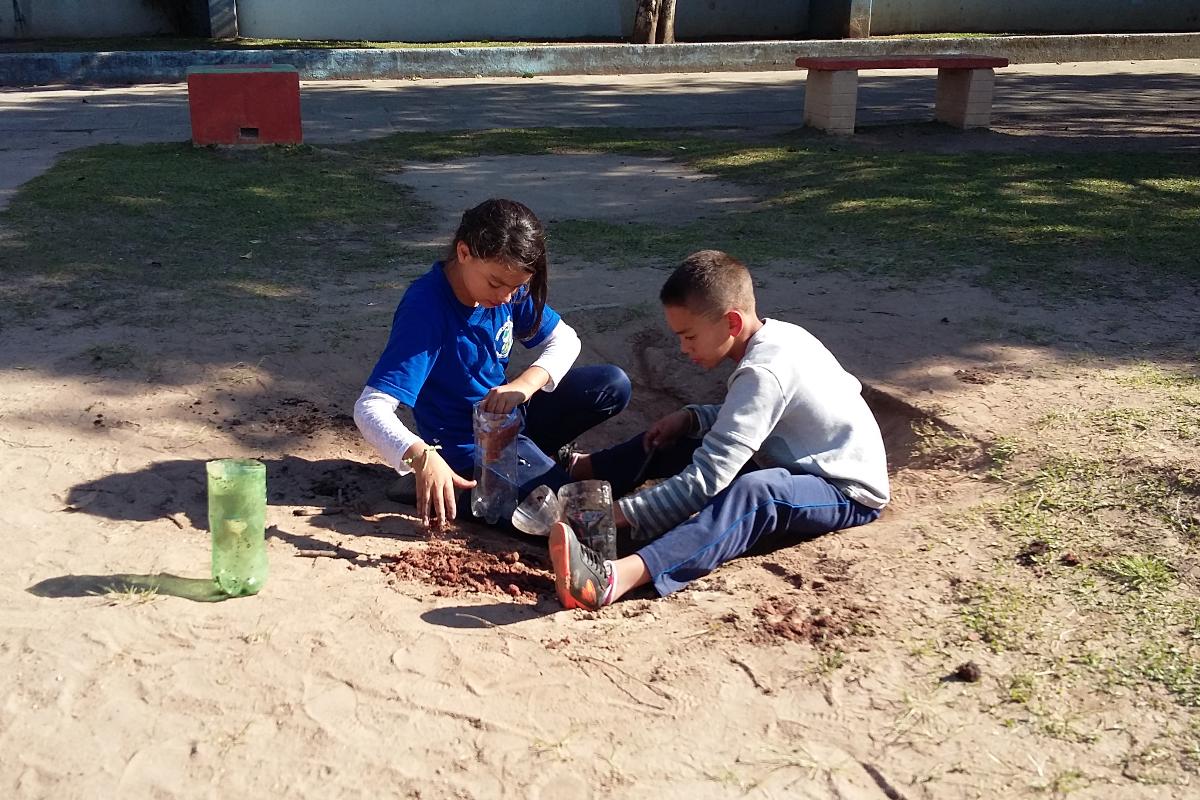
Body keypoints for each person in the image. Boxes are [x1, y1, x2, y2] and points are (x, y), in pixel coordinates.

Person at [548, 250, 889, 610]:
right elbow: (760, 416)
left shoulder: (764, 372)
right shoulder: (777, 338)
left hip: (843, 487)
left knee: (757, 493)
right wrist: (693, 417)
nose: (683, 348)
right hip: (797, 454)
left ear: (731, 323)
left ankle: (614, 577)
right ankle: (581, 470)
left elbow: (707, 480)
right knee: (680, 437)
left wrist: (618, 515)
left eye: (690, 336)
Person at [354, 199, 631, 529]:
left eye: (515, 288)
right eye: (496, 283)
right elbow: (370, 409)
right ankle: (460, 486)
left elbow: (566, 339)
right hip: (467, 447)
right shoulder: (425, 310)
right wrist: (422, 456)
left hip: (509, 421)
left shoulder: (509, 285)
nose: (504, 298)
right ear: (463, 252)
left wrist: (523, 385)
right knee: (568, 514)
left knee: (612, 385)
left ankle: (539, 463)